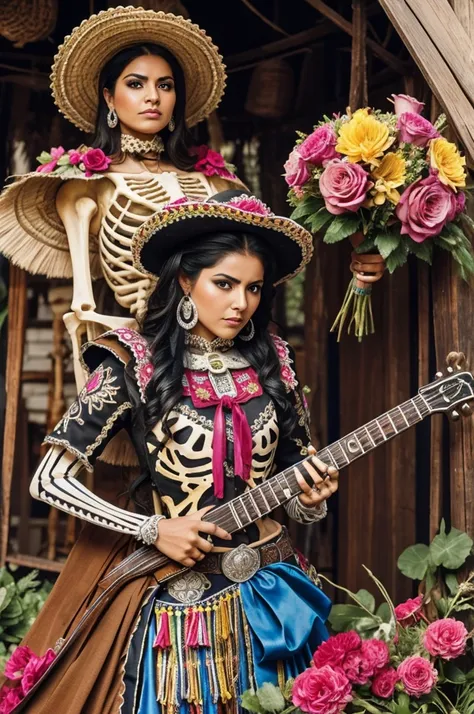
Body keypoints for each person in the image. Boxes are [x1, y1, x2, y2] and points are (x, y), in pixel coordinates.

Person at [0, 191, 339, 714]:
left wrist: (312, 498)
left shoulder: (273, 356)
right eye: (223, 284)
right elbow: (47, 480)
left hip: (276, 591)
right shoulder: (132, 360)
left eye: (252, 288)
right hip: (181, 610)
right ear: (186, 280)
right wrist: (154, 530)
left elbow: (295, 474)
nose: (239, 303)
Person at [0, 6, 243, 394]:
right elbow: (82, 310)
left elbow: (251, 262)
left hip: (229, 353)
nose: (153, 97)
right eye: (136, 84)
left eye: (165, 86)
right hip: (143, 357)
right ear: (109, 98)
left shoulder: (212, 179)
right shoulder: (86, 186)